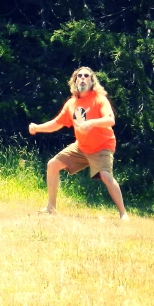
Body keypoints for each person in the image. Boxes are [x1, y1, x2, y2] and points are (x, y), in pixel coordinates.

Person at [28, 66, 129, 220]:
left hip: (102, 146)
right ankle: (51, 208)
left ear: (92, 80)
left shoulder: (99, 99)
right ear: (75, 81)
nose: (82, 78)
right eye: (79, 76)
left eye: (86, 76)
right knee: (52, 165)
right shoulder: (71, 103)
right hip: (82, 147)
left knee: (106, 176)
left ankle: (123, 214)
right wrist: (37, 127)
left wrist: (91, 123)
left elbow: (110, 120)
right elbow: (57, 123)